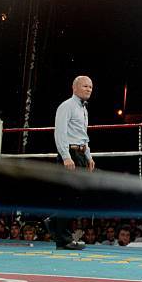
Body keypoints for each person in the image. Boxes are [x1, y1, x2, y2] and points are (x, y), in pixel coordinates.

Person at [52, 75, 95, 250]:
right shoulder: (66, 106)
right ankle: (64, 238)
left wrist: (89, 156)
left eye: (91, 87)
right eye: (85, 86)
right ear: (74, 87)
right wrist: (65, 156)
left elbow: (82, 136)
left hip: (81, 153)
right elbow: (60, 132)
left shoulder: (83, 109)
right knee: (69, 197)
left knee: (78, 197)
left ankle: (54, 225)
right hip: (69, 153)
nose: (89, 89)